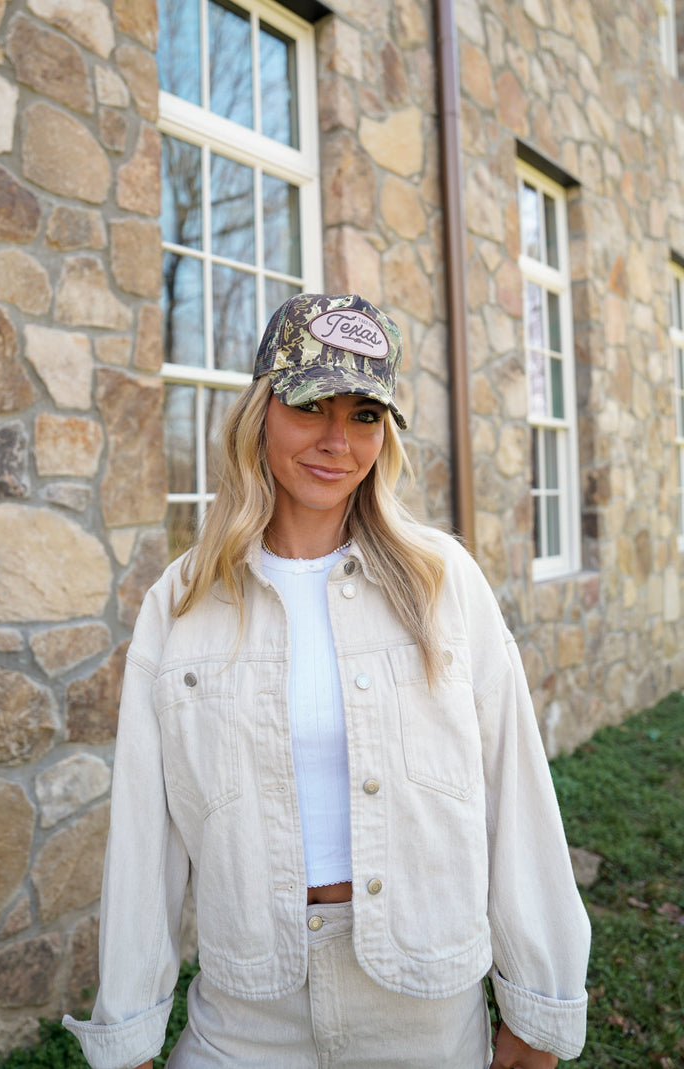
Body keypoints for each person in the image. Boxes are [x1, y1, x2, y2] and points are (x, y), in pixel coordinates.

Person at [64, 293, 590, 1069]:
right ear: (262, 411)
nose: (337, 441)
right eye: (311, 404)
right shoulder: (182, 604)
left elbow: (514, 792)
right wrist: (131, 1033)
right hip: (247, 1012)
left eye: (366, 414)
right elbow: (146, 835)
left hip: (424, 1001)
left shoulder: (444, 583)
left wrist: (538, 1009)